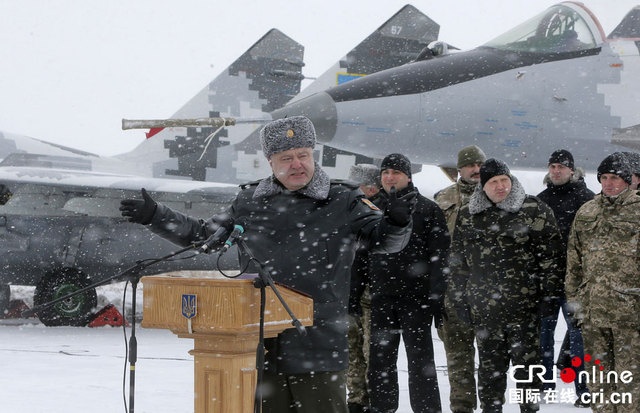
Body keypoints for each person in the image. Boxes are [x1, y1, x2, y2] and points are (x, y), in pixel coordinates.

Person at [120, 116, 416, 413]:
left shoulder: (342, 198)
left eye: (303, 155)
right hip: (255, 347)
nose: (297, 164)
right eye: (286, 158)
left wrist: (398, 223)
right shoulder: (250, 201)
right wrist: (156, 216)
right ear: (270, 162)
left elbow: (385, 242)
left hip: (318, 346)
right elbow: (204, 237)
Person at [448, 159, 563, 413]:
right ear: (483, 186)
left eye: (505, 180)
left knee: (528, 374)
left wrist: (549, 295)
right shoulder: (468, 215)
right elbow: (457, 260)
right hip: (485, 311)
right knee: (490, 375)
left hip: (524, 309)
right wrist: (458, 297)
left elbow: (551, 255)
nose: (501, 187)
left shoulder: (533, 210)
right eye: (493, 182)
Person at [367, 153, 449, 413]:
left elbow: (439, 256)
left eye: (395, 172)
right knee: (380, 361)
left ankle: (427, 409)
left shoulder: (427, 208)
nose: (389, 177)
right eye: (385, 172)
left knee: (420, 360)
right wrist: (354, 291)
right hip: (381, 297)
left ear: (408, 176)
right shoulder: (371, 208)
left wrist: (437, 295)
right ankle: (382, 408)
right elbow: (359, 254)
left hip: (417, 298)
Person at [565, 152, 640, 413]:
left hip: (629, 316)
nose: (609, 183)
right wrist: (574, 303)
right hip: (593, 314)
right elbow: (574, 262)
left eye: (615, 178)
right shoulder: (587, 211)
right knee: (599, 383)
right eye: (604, 178)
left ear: (629, 181)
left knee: (630, 385)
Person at [536, 149, 594, 407]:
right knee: (543, 336)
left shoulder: (587, 200)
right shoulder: (540, 201)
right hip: (546, 280)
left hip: (576, 282)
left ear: (572, 170)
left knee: (579, 338)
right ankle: (543, 386)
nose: (556, 171)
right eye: (553, 166)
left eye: (561, 166)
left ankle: (583, 389)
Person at [434, 145, 486, 413]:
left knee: (491, 357)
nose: (475, 170)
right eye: (469, 165)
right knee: (458, 356)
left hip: (488, 291)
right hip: (452, 293)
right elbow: (430, 245)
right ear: (460, 169)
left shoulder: (497, 194)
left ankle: (492, 405)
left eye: (479, 165)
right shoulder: (443, 198)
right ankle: (462, 406)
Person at [346, 163, 381, 413]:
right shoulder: (347, 211)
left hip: (371, 296)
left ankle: (373, 401)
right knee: (352, 353)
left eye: (356, 188)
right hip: (349, 293)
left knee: (372, 355)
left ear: (370, 188)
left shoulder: (379, 214)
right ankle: (356, 400)